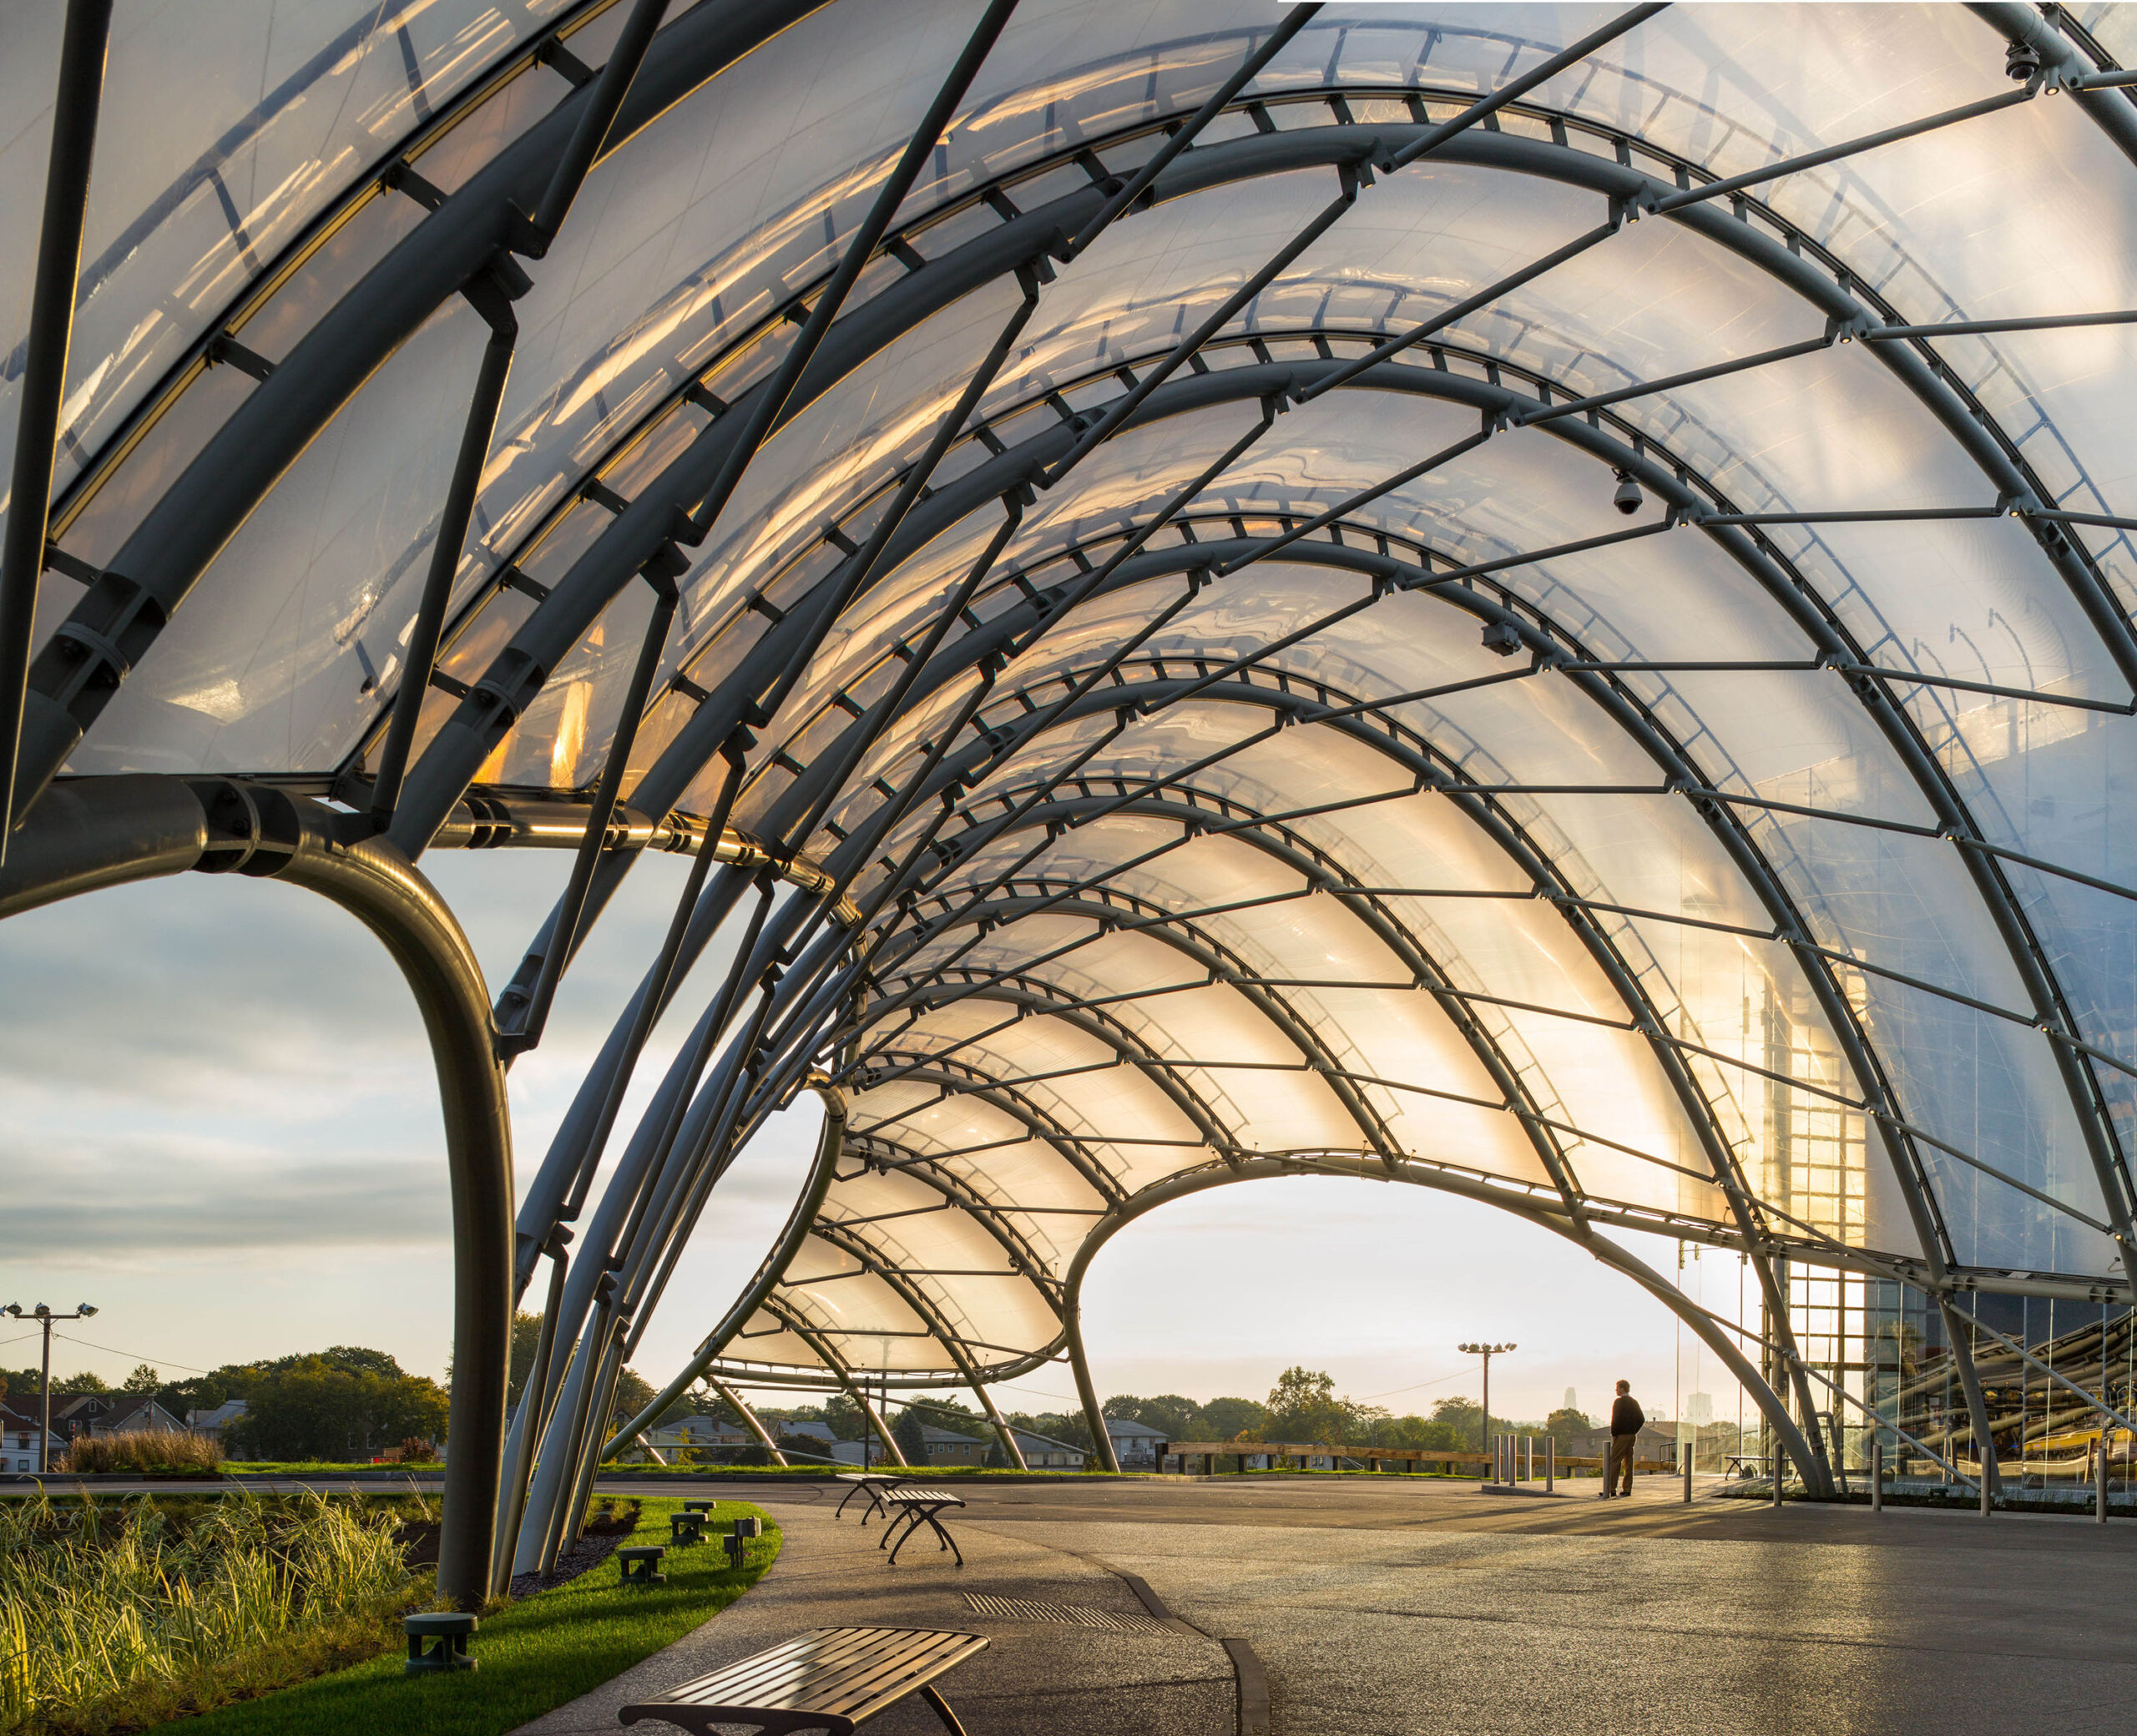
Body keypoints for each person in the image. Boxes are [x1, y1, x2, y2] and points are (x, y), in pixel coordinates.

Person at [1599, 1379, 1643, 1498]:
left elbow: (1616, 1419)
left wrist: (1614, 1434)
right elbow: (1641, 1419)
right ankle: (1627, 1488)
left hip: (1621, 1435)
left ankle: (1610, 1488)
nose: (1616, 1390)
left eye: (1617, 1388)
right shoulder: (1634, 1402)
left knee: (1615, 1461)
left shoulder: (1618, 1402)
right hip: (1632, 1436)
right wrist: (1634, 1430)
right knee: (1628, 1462)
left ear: (1622, 1389)